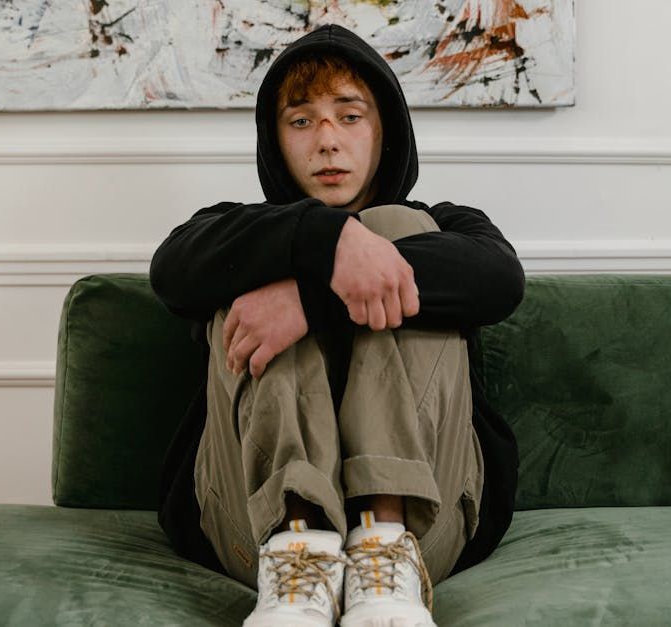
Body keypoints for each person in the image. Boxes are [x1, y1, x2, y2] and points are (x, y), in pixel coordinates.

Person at [149, 23, 524, 627]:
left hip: (430, 525)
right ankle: (299, 546)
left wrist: (307, 299)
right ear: (276, 140)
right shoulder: (229, 228)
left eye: (349, 117)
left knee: (397, 230)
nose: (327, 142)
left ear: (385, 132)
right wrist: (321, 243)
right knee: (254, 261)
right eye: (301, 121)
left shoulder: (449, 225)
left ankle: (384, 538)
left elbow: (501, 281)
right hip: (252, 530)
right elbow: (171, 272)